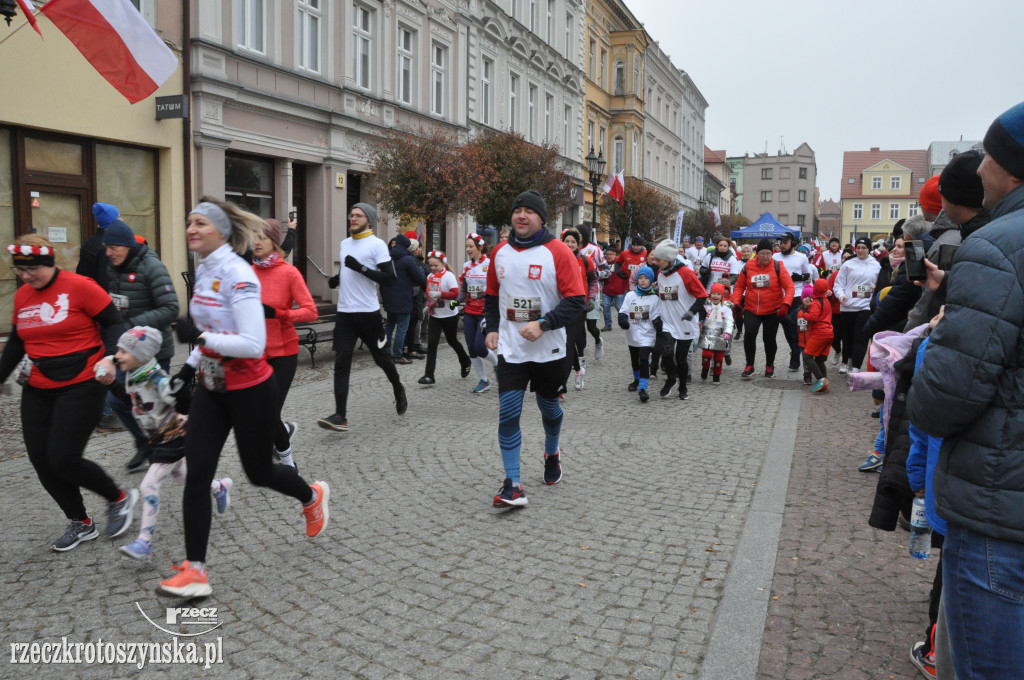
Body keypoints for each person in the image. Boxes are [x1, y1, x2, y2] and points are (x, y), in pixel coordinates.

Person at [907, 100, 1024, 680]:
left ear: (1012, 170)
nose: (979, 171)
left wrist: (928, 352)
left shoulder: (997, 245)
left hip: (999, 502)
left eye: (990, 159)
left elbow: (943, 398)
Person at [162, 197, 328, 597]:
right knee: (198, 474)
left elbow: (253, 344)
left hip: (251, 389)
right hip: (212, 389)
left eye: (200, 223)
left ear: (220, 231)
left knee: (259, 473)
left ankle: (311, 494)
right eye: (189, 223)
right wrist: (187, 369)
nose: (191, 230)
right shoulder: (204, 271)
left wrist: (199, 337)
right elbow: (214, 330)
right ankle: (195, 572)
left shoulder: (240, 275)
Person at [0, 234, 137, 551]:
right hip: (37, 385)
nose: (26, 276)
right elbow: (18, 342)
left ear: (49, 263)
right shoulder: (22, 296)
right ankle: (81, 521)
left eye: (33, 269)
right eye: (21, 270)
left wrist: (112, 355)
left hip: (82, 381)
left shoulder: (80, 286)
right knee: (41, 460)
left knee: (63, 458)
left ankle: (119, 498)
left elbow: (114, 323)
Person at [485, 190, 585, 507]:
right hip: (512, 351)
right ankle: (513, 485)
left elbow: (577, 302)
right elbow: (491, 296)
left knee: (550, 410)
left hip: (550, 351)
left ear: (542, 218)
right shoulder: (499, 252)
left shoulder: (558, 252)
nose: (522, 216)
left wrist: (543, 323)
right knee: (508, 415)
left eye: (529, 211)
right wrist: (490, 328)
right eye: (518, 210)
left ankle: (551, 451)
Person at [104, 326, 232, 560]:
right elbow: (130, 400)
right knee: (185, 478)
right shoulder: (136, 376)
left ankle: (144, 542)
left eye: (123, 351)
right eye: (117, 350)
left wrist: (190, 418)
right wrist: (110, 383)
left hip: (171, 441)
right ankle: (218, 486)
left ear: (141, 355)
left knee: (148, 486)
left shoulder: (158, 380)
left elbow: (186, 398)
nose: (117, 355)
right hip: (157, 441)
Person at [318, 203, 408, 432]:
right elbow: (349, 269)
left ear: (368, 220)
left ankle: (398, 388)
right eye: (351, 215)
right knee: (341, 362)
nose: (353, 218)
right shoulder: (345, 243)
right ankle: (340, 416)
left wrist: (361, 269)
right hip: (346, 314)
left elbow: (389, 278)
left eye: (358, 215)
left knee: (381, 359)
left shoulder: (377, 245)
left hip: (368, 314)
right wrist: (338, 279)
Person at [100, 218, 180, 472]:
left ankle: (171, 448)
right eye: (106, 247)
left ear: (126, 245)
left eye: (113, 247)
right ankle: (145, 443)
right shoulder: (113, 267)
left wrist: (132, 326)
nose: (108, 253)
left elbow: (170, 308)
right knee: (117, 399)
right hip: (126, 350)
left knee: (156, 406)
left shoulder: (151, 266)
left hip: (153, 352)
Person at [252, 218, 317, 468]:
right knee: (260, 412)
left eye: (262, 237)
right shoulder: (248, 272)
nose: (256, 242)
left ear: (274, 242)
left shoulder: (289, 273)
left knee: (268, 411)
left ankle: (288, 462)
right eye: (254, 237)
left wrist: (280, 314)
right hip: (257, 352)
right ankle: (284, 430)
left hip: (284, 352)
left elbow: (311, 311)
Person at [905, 150, 991, 330]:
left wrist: (910, 342)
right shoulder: (980, 233)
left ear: (952, 200)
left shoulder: (977, 241)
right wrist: (947, 280)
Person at [650, 239, 708, 400]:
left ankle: (683, 387)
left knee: (681, 358)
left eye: (658, 259)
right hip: (668, 322)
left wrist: (691, 312)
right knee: (667, 354)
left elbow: (702, 295)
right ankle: (670, 380)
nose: (655, 262)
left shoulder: (686, 273)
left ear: (668, 259)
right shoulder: (660, 274)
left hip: (685, 322)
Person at [730, 238, 795, 379]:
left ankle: (769, 365)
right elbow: (740, 286)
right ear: (756, 254)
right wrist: (736, 303)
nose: (765, 257)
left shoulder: (778, 266)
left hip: (772, 309)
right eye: (762, 253)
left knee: (769, 339)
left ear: (772, 254)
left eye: (768, 253)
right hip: (752, 308)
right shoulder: (748, 267)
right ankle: (749, 365)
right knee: (749, 335)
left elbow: (789, 287)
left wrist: (786, 304)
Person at [417, 251, 471, 385]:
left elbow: (455, 294)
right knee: (432, 343)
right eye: (431, 265)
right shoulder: (430, 276)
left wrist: (440, 293)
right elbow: (430, 294)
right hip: (435, 315)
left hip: (449, 315)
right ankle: (429, 375)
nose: (433, 268)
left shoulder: (448, 276)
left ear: (443, 264)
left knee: (452, 341)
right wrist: (429, 304)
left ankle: (465, 360)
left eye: (436, 265)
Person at [833, 237, 881, 373]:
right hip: (848, 305)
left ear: (869, 249)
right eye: (858, 247)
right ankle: (848, 359)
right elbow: (839, 284)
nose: (861, 250)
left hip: (865, 306)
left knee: (861, 336)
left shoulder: (876, 265)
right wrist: (840, 295)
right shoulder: (848, 264)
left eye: (864, 248)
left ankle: (856, 367)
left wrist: (876, 287)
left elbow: (881, 283)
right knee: (847, 337)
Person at [560, 228, 598, 392]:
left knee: (569, 343)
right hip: (560, 307)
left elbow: (593, 281)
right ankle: (578, 370)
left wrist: (591, 298)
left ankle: (561, 384)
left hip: (578, 307)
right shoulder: (556, 260)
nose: (570, 244)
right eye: (567, 241)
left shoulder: (585, 260)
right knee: (564, 343)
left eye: (573, 242)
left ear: (578, 244)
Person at [381, 233, 427, 365]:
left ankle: (386, 352)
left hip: (389, 298)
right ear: (406, 246)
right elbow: (419, 277)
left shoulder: (387, 258)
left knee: (389, 326)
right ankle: (397, 354)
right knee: (402, 327)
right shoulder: (407, 259)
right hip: (403, 298)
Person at [460, 233, 498, 393]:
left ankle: (497, 365)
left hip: (485, 312)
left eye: (471, 246)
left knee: (479, 347)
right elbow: (464, 290)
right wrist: (454, 303)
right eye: (467, 246)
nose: (468, 249)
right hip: (469, 311)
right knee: (471, 348)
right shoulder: (466, 266)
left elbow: (496, 288)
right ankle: (484, 380)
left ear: (480, 247)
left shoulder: (490, 265)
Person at [773, 232, 816, 372]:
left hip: (797, 296)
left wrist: (800, 277)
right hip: (780, 296)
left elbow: (809, 276)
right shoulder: (775, 257)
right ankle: (795, 351)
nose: (782, 245)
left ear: (793, 243)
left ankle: (796, 356)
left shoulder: (801, 257)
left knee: (796, 326)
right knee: (786, 327)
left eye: (785, 242)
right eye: (781, 242)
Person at [618, 265, 661, 402]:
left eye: (646, 278)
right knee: (634, 360)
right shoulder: (630, 295)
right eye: (640, 278)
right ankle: (636, 380)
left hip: (648, 334)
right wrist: (623, 321)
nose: (643, 281)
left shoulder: (655, 298)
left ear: (651, 280)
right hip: (633, 333)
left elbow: (655, 315)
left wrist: (658, 324)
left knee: (643, 359)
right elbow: (623, 311)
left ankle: (643, 388)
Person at [798, 279, 833, 393]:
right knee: (819, 359)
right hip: (829, 333)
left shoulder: (816, 303)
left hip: (819, 333)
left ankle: (821, 379)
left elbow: (813, 317)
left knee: (807, 357)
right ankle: (824, 385)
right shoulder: (826, 301)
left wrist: (805, 314)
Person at [577, 226, 607, 360]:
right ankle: (580, 354)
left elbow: (607, 270)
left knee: (591, 326)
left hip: (592, 291)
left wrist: (596, 274)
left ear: (584, 234)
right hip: (576, 291)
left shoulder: (594, 250)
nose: (576, 236)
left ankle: (598, 340)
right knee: (578, 325)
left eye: (578, 233)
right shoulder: (569, 249)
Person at [697, 282, 733, 385]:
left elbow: (729, 321)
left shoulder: (726, 309)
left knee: (718, 358)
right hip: (708, 333)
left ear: (722, 296)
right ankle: (705, 368)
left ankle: (716, 376)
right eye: (714, 293)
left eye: (718, 294)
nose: (715, 296)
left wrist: (727, 332)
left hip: (720, 335)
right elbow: (700, 318)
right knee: (706, 355)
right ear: (710, 295)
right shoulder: (706, 307)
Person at [600, 244, 626, 331]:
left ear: (615, 255)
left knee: (620, 308)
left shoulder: (620, 263)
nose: (609, 256)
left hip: (619, 291)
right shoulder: (603, 264)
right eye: (607, 254)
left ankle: (625, 322)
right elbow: (600, 276)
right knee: (606, 307)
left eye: (611, 254)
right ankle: (608, 324)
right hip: (607, 290)